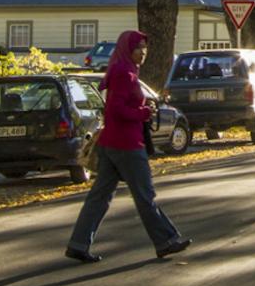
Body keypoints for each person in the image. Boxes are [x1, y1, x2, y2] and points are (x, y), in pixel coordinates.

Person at [65, 30, 189, 263]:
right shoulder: (124, 73)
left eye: (144, 47)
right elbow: (116, 109)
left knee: (100, 196)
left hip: (113, 143)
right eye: (138, 48)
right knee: (144, 194)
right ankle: (166, 240)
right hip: (127, 144)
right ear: (126, 49)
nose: (143, 52)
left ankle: (78, 243)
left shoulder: (125, 70)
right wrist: (143, 112)